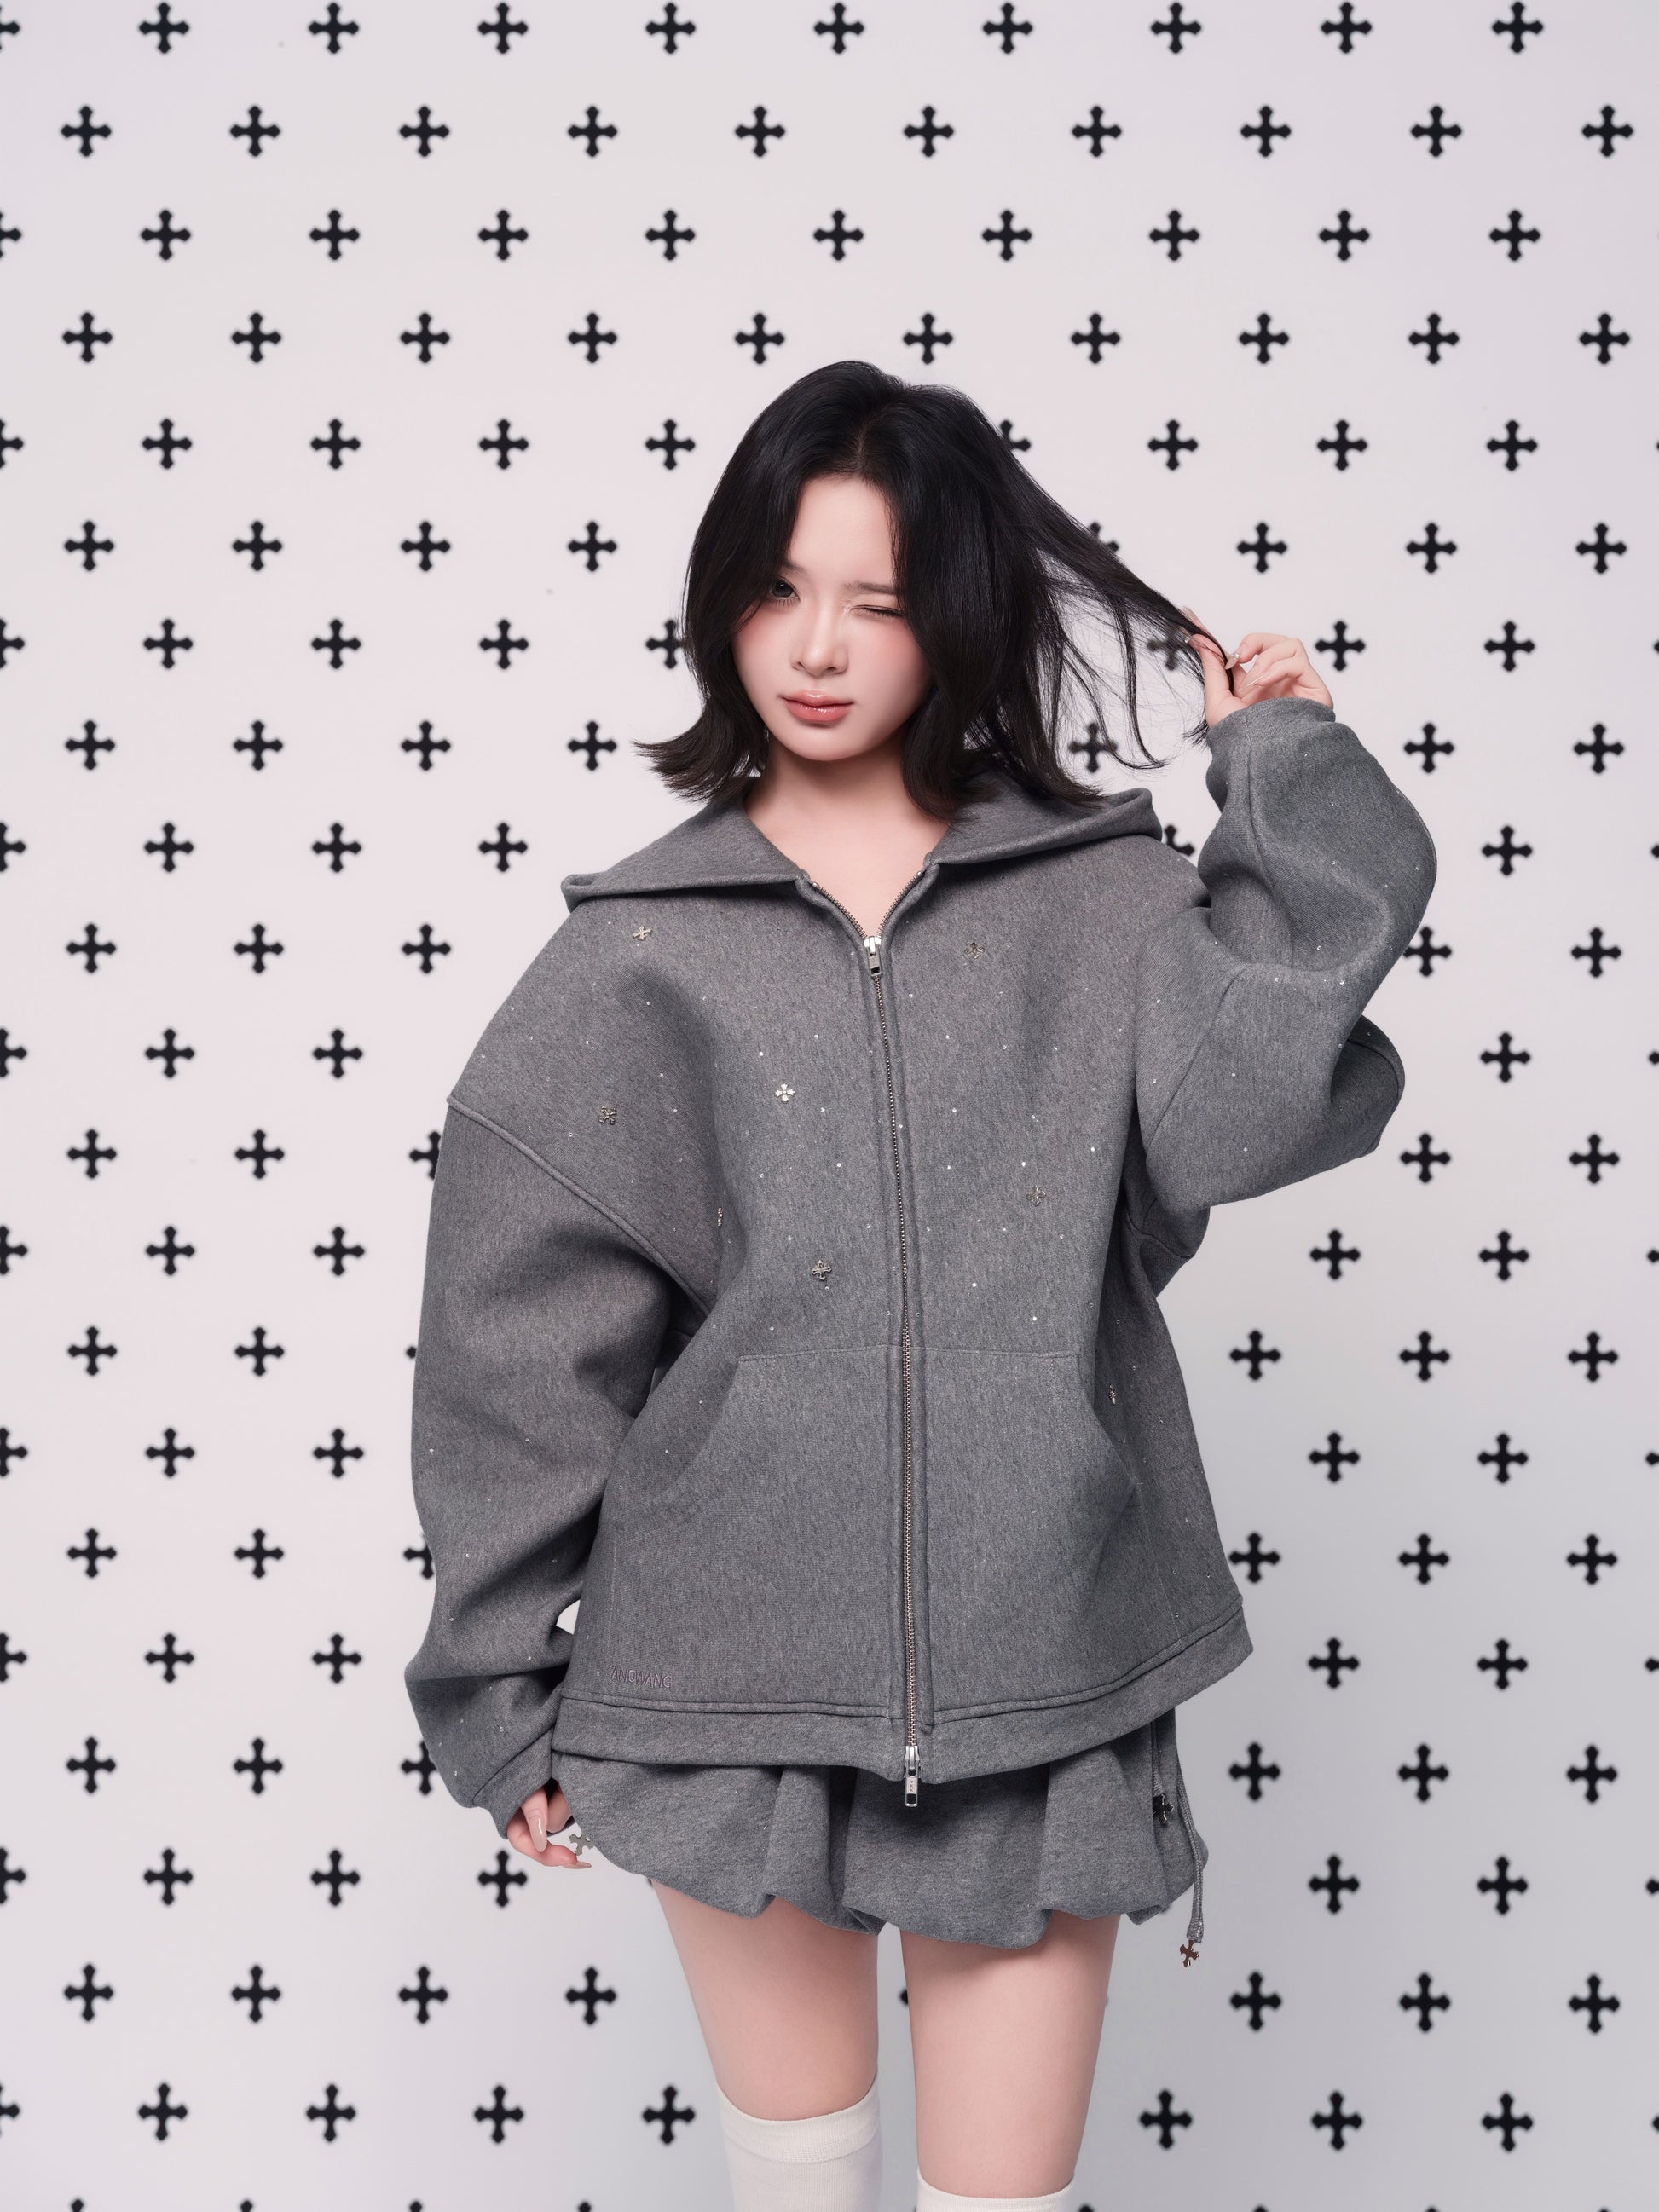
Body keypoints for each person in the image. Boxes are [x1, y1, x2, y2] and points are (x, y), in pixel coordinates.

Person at [403, 360, 1436, 2211]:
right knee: (795, 2184)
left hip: (1050, 1662)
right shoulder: (634, 958)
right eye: (776, 587)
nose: (815, 648)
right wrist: (494, 1685)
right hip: (719, 1688)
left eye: (876, 602)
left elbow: (1253, 1104)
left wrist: (1282, 767)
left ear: (955, 615)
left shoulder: (1101, 904)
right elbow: (515, 1351)